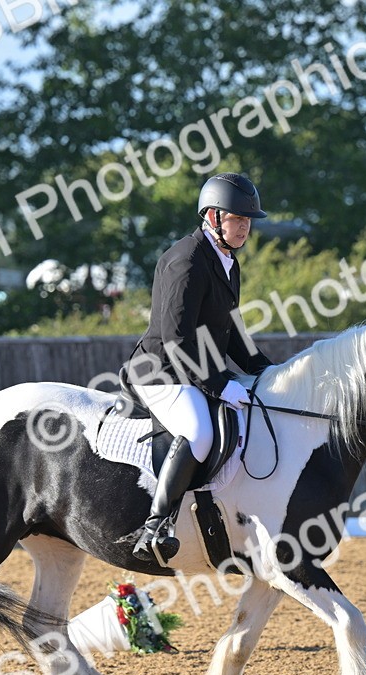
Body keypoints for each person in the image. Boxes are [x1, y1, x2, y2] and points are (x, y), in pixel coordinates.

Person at [123, 172, 274, 564]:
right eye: (237, 219)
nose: (244, 227)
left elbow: (234, 334)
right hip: (161, 371)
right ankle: (154, 526)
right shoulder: (186, 260)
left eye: (248, 221)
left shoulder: (227, 262)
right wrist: (219, 384)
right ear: (212, 217)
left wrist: (268, 372)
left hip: (193, 369)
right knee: (199, 432)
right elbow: (176, 340)